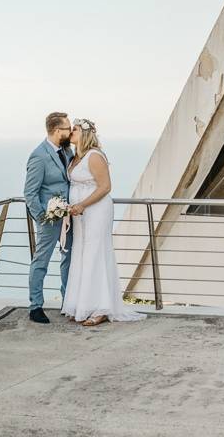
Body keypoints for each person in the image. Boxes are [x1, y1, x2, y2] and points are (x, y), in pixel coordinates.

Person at [61, 118, 146, 326]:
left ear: (85, 133)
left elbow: (105, 186)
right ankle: (82, 305)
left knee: (96, 254)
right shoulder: (75, 157)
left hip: (96, 210)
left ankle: (101, 308)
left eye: (75, 129)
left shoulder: (95, 156)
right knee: (81, 254)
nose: (71, 132)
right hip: (79, 215)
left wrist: (82, 204)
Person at [24, 112, 74, 324]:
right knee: (41, 261)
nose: (70, 132)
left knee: (69, 259)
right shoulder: (39, 155)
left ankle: (68, 301)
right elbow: (30, 192)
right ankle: (35, 306)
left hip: (70, 217)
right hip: (49, 219)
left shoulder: (68, 151)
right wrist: (43, 216)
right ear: (56, 131)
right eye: (67, 129)